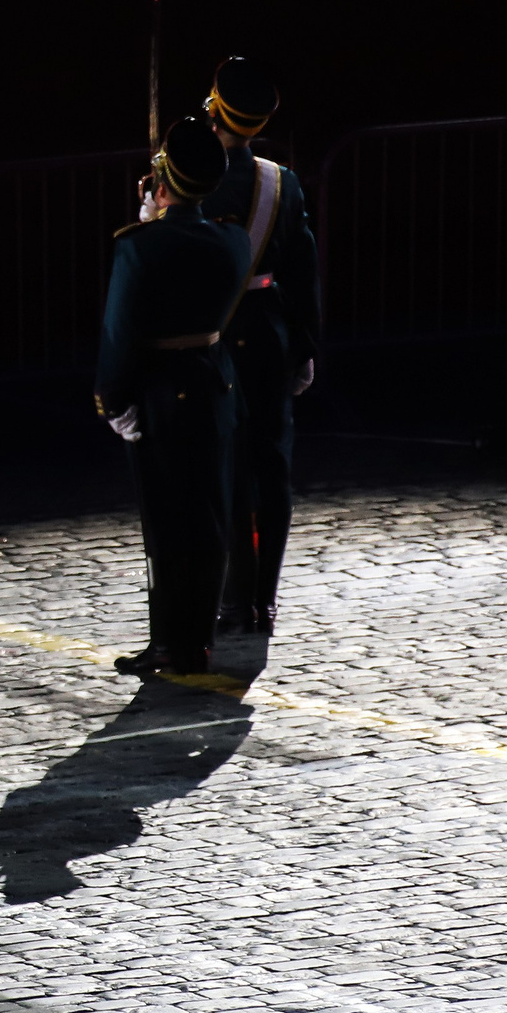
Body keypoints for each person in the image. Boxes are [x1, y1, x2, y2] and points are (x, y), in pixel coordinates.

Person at [94, 116, 253, 677]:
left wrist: (113, 399)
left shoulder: (138, 248)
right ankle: (198, 639)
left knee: (165, 524)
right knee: (208, 519)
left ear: (162, 185)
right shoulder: (233, 238)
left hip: (161, 392)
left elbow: (120, 332)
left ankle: (169, 643)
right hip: (213, 383)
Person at [200, 59, 319, 637]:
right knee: (270, 470)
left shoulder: (188, 178)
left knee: (222, 470)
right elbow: (302, 270)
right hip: (269, 337)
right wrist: (305, 344)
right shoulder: (282, 182)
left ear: (213, 110)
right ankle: (263, 599)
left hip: (211, 340)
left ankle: (230, 597)